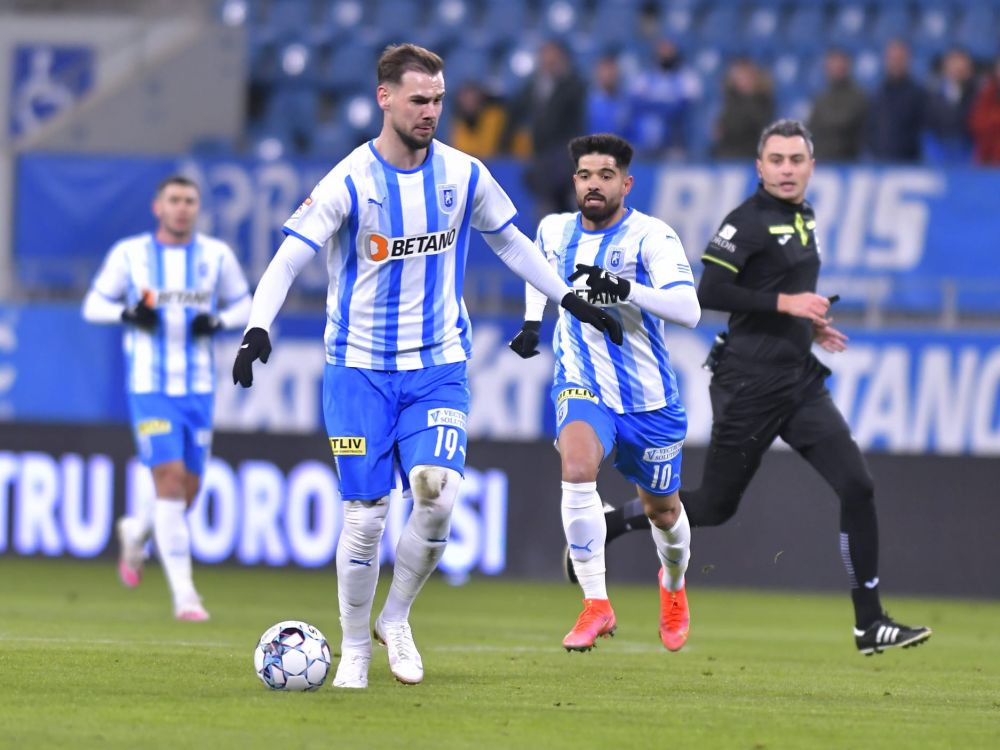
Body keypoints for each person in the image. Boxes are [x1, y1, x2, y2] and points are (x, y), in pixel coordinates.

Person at [232, 44, 622, 689]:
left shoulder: (463, 174)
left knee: (437, 494)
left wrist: (569, 299)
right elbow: (289, 258)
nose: (431, 112)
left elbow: (512, 243)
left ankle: (397, 618)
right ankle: (354, 648)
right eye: (419, 99)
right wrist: (256, 327)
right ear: (384, 98)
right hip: (356, 368)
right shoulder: (349, 180)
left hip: (437, 365)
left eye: (439, 100)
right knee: (365, 515)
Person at [569, 120, 932, 657]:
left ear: (811, 166)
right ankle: (615, 518)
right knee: (714, 507)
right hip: (748, 383)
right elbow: (711, 289)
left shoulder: (801, 216)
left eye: (796, 160)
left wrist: (805, 324)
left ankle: (869, 622)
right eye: (776, 160)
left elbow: (772, 288)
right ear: (759, 167)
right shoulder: (747, 221)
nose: (787, 169)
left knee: (858, 486)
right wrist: (788, 306)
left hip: (798, 379)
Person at [508, 133, 700, 652]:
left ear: (626, 183)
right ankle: (597, 603)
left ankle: (674, 584)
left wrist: (627, 289)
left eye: (606, 176)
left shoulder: (651, 237)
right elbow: (537, 271)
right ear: (575, 182)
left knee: (663, 512)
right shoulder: (553, 229)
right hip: (583, 380)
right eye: (586, 176)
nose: (595, 185)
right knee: (575, 468)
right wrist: (532, 322)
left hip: (649, 399)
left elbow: (689, 310)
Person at [82, 174, 251, 621]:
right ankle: (186, 598)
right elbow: (92, 305)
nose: (182, 208)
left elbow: (244, 304)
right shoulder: (131, 255)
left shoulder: (216, 256)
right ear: (158, 207)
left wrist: (216, 322)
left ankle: (135, 531)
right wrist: (126, 312)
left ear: (198, 208)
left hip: (197, 390)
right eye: (174, 200)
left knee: (184, 495)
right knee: (171, 480)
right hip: (149, 387)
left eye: (190, 201)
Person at [868, 39, 925, 162]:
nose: (895, 63)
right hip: (880, 162)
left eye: (899, 59)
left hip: (909, 163)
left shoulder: (919, 94)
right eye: (892, 59)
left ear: (908, 60)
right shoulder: (878, 93)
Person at [807, 48, 868, 162]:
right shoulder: (821, 98)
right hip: (823, 160)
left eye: (839, 64)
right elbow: (812, 129)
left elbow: (844, 122)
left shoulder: (858, 96)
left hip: (848, 160)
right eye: (832, 64)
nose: (836, 68)